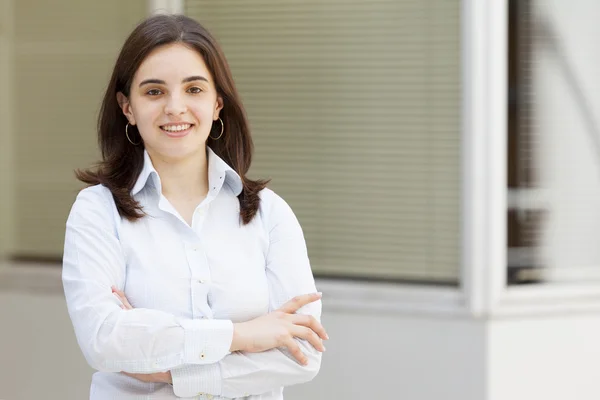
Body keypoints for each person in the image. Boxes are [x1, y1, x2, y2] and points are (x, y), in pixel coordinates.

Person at [61, 14, 327, 399]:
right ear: (127, 108)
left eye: (194, 89)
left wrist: (170, 372)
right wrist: (243, 335)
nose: (175, 107)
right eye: (154, 92)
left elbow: (301, 353)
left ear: (218, 103)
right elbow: (103, 341)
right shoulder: (97, 212)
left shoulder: (269, 214)